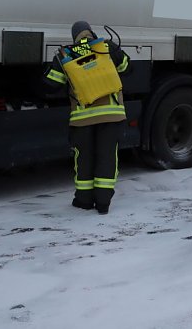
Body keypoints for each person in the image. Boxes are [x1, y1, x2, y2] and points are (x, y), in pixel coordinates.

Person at [45, 21, 130, 214]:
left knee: (84, 159)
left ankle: (83, 200)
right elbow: (127, 67)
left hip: (82, 117)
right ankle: (103, 204)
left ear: (74, 36)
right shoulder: (105, 47)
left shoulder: (66, 54)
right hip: (111, 115)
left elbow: (51, 84)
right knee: (107, 158)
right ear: (91, 32)